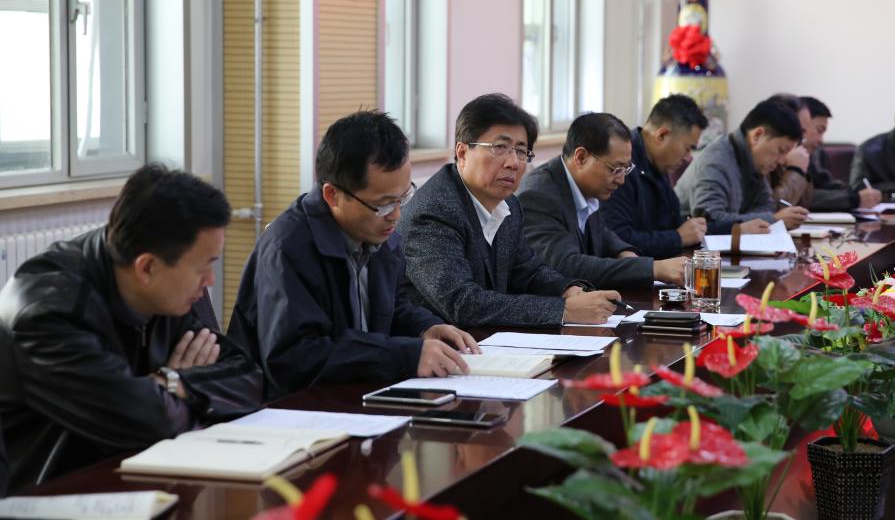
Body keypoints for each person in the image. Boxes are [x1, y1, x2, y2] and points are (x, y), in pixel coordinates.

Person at [0, 165, 262, 493]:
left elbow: (248, 378)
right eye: (203, 268)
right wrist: (176, 394)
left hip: (142, 481)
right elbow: (151, 422)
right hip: (56, 495)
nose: (209, 281)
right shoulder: (46, 312)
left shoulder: (166, 288)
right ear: (147, 267)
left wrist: (171, 381)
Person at [228, 112, 478, 400]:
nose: (396, 215)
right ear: (332, 195)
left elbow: (392, 307)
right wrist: (404, 356)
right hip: (290, 408)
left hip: (360, 395)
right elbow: (295, 358)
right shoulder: (288, 248)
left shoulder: (378, 233)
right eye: (383, 204)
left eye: (403, 198)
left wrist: (426, 328)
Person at [397, 94, 621, 327]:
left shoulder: (509, 205)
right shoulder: (433, 213)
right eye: (500, 147)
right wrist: (563, 310)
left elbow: (528, 272)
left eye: (521, 151)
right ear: (462, 153)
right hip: (441, 345)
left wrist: (568, 290)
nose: (513, 162)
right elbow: (462, 304)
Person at [517, 112, 690, 290]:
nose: (621, 180)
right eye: (615, 169)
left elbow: (601, 232)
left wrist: (625, 254)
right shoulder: (538, 196)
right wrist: (653, 268)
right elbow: (566, 265)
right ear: (581, 157)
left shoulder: (585, 186)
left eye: (625, 169)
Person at [676, 99, 810, 233]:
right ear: (757, 135)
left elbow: (765, 205)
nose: (782, 161)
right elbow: (710, 221)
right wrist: (773, 219)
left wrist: (768, 218)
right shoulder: (715, 162)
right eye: (781, 150)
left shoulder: (753, 160)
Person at [601, 95, 709, 259]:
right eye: (687, 148)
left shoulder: (657, 163)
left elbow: (671, 223)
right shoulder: (622, 166)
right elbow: (617, 240)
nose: (688, 157)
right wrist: (678, 238)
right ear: (661, 136)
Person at [799, 96, 882, 211]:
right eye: (819, 130)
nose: (821, 140)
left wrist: (853, 192)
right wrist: (853, 199)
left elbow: (824, 185)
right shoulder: (785, 157)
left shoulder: (815, 153)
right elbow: (801, 198)